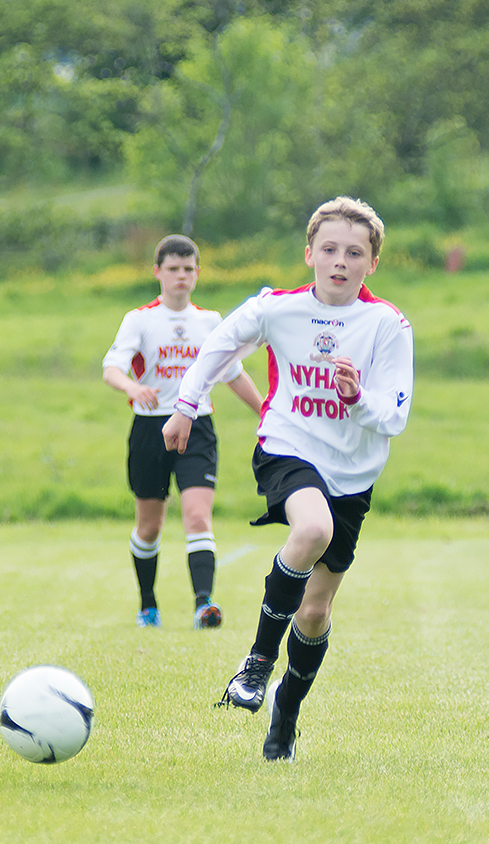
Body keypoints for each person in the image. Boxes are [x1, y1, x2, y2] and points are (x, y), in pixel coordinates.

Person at [162, 197, 414, 760]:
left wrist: (358, 399)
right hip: (287, 449)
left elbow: (394, 414)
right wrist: (185, 405)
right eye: (329, 249)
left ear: (372, 263)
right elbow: (217, 346)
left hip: (353, 475)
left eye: (354, 252)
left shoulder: (387, 326)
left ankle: (285, 715)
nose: (340, 261)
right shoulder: (276, 309)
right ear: (309, 254)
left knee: (317, 611)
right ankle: (256, 662)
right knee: (312, 529)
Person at [103, 234, 263, 630]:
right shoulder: (139, 319)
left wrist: (267, 413)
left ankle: (203, 605)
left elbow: (233, 375)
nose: (181, 276)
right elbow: (112, 369)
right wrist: (132, 387)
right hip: (150, 429)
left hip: (197, 427)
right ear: (157, 272)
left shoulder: (210, 322)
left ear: (197, 274)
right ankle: (148, 605)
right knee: (150, 526)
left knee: (196, 517)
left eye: (188, 269)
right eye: (173, 269)